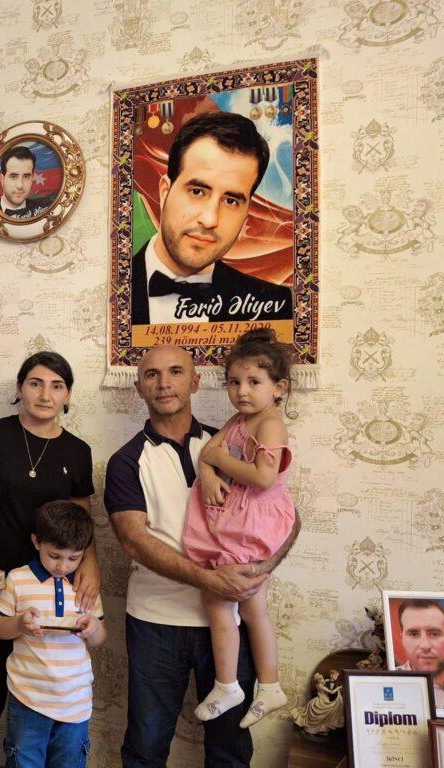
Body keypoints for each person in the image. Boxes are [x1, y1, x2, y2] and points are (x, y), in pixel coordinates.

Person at [105, 345, 299, 767]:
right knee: (145, 746)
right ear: (138, 387)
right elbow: (134, 542)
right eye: (152, 374)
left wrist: (261, 568)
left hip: (231, 619)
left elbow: (284, 515)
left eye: (176, 372)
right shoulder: (125, 462)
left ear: (195, 382)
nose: (164, 383)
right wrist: (210, 580)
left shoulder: (232, 440)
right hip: (156, 623)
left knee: (230, 750)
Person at [0, 351, 98, 768]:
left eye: (56, 386)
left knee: (45, 690)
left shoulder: (78, 451)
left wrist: (90, 563)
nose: (45, 394)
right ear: (20, 388)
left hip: (48, 586)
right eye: (35, 383)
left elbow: (82, 517)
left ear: (68, 394)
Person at [182, 329, 297, 727]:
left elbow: (263, 478)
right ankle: (269, 685)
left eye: (253, 382)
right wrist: (207, 473)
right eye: (234, 382)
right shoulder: (240, 420)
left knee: (219, 602)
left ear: (279, 388)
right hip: (238, 521)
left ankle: (229, 684)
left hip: (254, 524)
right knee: (250, 607)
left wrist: (217, 460)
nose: (241, 391)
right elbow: (210, 453)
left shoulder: (270, 424)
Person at [130, 111, 293, 326]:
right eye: (197, 192)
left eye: (231, 201)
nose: (209, 220)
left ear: (246, 214)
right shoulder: (110, 290)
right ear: (164, 193)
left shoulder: (276, 307)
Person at [0, 501, 106, 768]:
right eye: (54, 556)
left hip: (75, 701)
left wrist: (94, 628)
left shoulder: (86, 586)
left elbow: (101, 639)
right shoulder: (18, 580)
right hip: (28, 698)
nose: (62, 566)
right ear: (36, 542)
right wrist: (19, 624)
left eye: (73, 558)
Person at [0, 145, 55, 220]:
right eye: (13, 177)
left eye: (26, 177)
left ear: (32, 178)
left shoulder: (46, 207)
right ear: (2, 180)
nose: (20, 185)